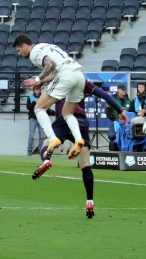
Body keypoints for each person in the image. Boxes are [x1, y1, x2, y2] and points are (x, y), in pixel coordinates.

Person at [31, 80, 128, 219]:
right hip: (81, 121)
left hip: (64, 118)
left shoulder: (60, 81)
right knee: (85, 164)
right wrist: (120, 111)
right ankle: (89, 201)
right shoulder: (83, 82)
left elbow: (45, 104)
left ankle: (46, 160)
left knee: (47, 142)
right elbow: (106, 96)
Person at [13, 34, 85, 160]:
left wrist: (36, 79)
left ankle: (52, 139)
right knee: (67, 113)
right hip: (79, 76)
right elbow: (56, 69)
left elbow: (50, 65)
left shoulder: (35, 53)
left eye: (19, 50)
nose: (19, 54)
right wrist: (41, 82)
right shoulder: (47, 46)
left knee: (39, 108)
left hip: (66, 76)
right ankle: (78, 140)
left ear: (25, 46)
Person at [26, 86, 55, 155]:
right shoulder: (30, 97)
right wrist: (34, 102)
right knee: (31, 135)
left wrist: (53, 113)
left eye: (38, 89)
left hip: (41, 118)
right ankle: (29, 150)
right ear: (33, 90)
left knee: (42, 136)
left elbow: (46, 107)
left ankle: (40, 149)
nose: (38, 91)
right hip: (33, 118)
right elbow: (28, 107)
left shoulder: (43, 97)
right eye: (36, 89)